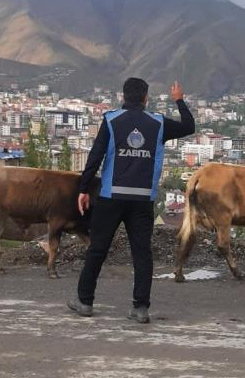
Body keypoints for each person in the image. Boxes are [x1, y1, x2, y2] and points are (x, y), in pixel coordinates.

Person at [67, 77, 195, 323]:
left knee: (97, 249)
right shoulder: (158, 124)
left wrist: (83, 188)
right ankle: (140, 308)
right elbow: (189, 126)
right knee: (142, 253)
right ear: (146, 98)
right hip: (142, 199)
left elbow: (95, 156)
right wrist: (179, 100)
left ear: (122, 96)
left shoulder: (111, 120)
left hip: (111, 196)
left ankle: (85, 302)